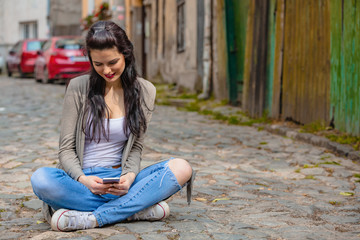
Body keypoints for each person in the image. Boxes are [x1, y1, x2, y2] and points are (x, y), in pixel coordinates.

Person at [31, 20, 195, 232]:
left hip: (122, 184)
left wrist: (129, 177)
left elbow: (136, 147)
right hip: (82, 184)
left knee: (182, 168)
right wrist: (84, 179)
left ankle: (92, 218)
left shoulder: (146, 91)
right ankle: (135, 210)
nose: (106, 70)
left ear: (126, 54)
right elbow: (66, 149)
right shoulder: (78, 88)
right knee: (41, 179)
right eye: (98, 64)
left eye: (112, 62)